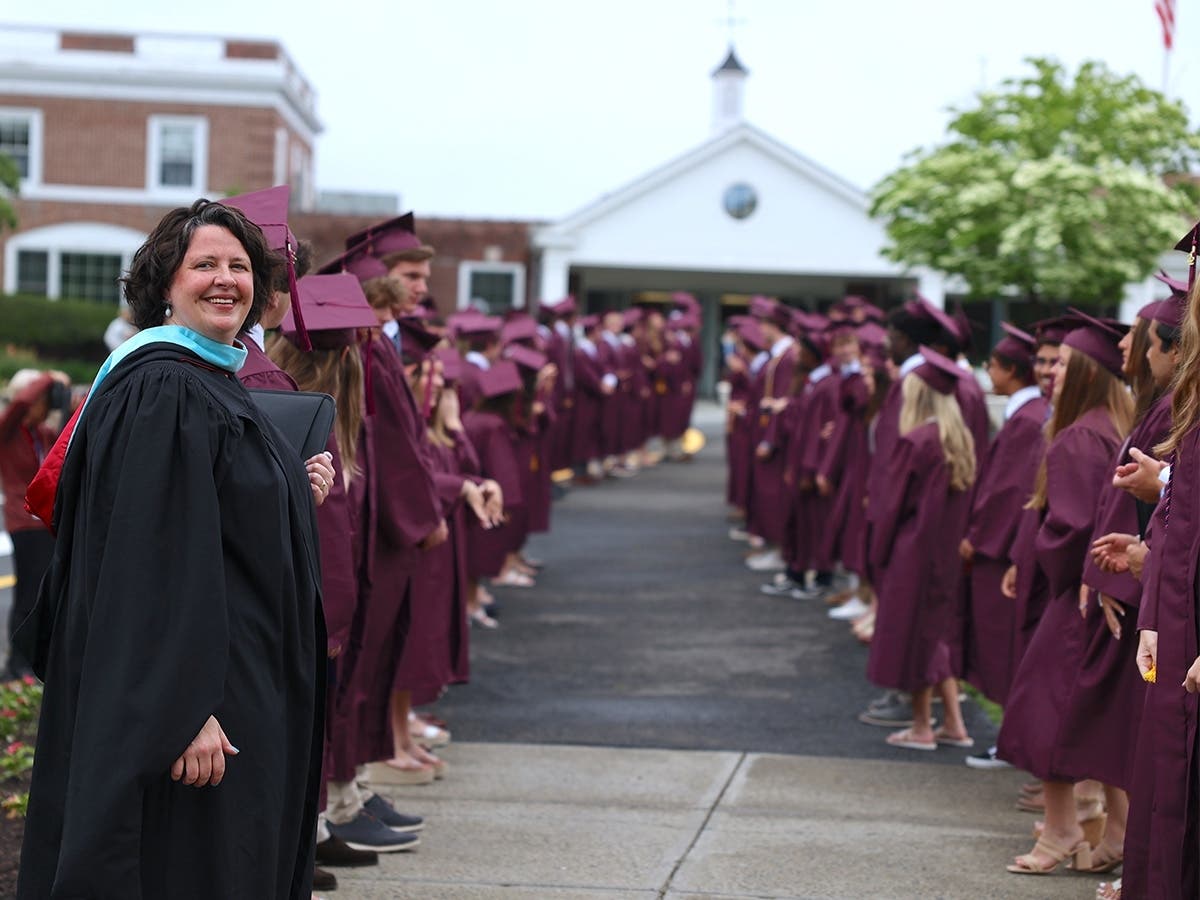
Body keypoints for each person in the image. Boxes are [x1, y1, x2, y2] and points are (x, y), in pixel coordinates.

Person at [16, 198, 329, 898]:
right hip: (199, 712)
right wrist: (180, 713)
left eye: (240, 266)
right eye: (205, 265)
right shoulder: (163, 385)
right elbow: (147, 560)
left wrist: (290, 493)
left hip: (238, 693)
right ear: (165, 284)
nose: (226, 280)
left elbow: (220, 525)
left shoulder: (212, 380)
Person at [996, 315, 1134, 875]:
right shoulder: (1111, 424)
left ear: (1085, 376)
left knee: (1044, 715)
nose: (1049, 374)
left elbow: (1072, 529)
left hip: (1074, 601)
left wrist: (1038, 558)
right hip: (1104, 593)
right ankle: (1116, 834)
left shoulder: (1077, 437)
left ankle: (1061, 832)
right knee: (1095, 721)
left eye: (1062, 366)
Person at [866, 347, 977, 752]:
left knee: (916, 637)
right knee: (937, 635)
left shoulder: (917, 441)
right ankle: (954, 723)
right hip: (944, 556)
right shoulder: (959, 439)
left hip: (913, 555)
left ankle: (921, 727)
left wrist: (876, 553)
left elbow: (894, 506)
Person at [959, 323, 1048, 766]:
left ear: (1011, 370)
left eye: (992, 365)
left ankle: (1009, 743)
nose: (987, 372)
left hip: (1003, 551)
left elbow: (1010, 491)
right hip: (1006, 547)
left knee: (1007, 649)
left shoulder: (1029, 419)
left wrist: (979, 536)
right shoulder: (1027, 414)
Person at [0, 369, 69, 679]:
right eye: (40, 400)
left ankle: (34, 660)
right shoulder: (8, 431)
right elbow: (19, 404)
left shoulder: (43, 434)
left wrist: (63, 397)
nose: (44, 406)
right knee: (28, 594)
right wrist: (48, 377)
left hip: (45, 522)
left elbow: (69, 434)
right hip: (23, 524)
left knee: (47, 593)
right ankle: (16, 664)